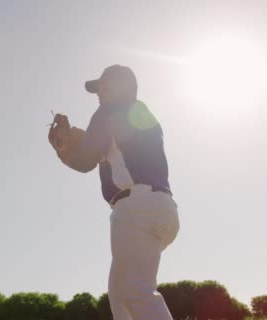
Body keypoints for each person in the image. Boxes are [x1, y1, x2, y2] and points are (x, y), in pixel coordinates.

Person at [48, 65, 180, 320]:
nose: (99, 93)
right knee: (121, 297)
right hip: (161, 207)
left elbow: (86, 160)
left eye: (104, 87)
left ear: (122, 87)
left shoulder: (109, 109)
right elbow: (121, 146)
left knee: (136, 293)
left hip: (136, 208)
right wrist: (85, 139)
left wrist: (63, 150)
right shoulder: (141, 113)